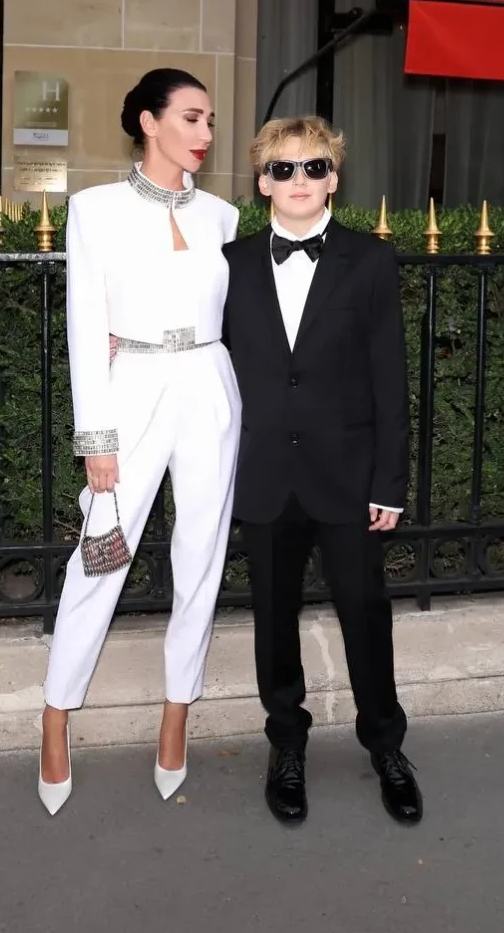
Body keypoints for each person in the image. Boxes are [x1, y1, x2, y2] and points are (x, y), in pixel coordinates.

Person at [39, 69, 241, 815]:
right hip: (133, 389)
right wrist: (97, 436)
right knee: (100, 553)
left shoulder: (224, 217)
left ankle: (177, 710)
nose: (206, 133)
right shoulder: (94, 210)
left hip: (210, 386)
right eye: (191, 117)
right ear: (149, 122)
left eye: (210, 120)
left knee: (202, 554)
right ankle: (55, 714)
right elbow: (84, 327)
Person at [222, 117, 422, 827]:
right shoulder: (233, 261)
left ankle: (386, 746)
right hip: (266, 473)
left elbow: (390, 378)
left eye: (312, 167)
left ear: (333, 177)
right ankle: (286, 744)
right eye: (282, 168)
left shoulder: (370, 260)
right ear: (262, 181)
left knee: (365, 612)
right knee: (273, 619)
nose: (298, 180)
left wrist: (389, 483)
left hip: (348, 476)